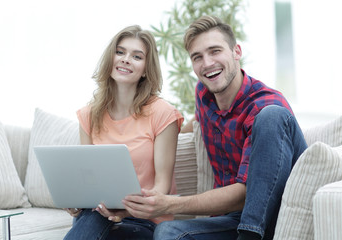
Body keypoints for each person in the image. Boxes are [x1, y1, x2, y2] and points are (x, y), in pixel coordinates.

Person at [122, 16, 308, 240]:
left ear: (236, 52)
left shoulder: (264, 105)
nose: (207, 63)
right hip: (232, 220)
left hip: (273, 212)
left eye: (215, 51)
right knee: (167, 233)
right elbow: (195, 122)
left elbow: (248, 193)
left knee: (272, 116)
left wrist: (170, 204)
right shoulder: (204, 94)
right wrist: (151, 137)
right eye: (197, 57)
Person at [63, 25, 184, 240]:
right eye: (120, 52)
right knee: (94, 214)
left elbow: (161, 189)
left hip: (143, 220)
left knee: (96, 220)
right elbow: (88, 179)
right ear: (110, 59)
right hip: (98, 214)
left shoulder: (163, 114)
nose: (126, 59)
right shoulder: (89, 115)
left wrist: (123, 211)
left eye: (136, 56)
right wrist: (77, 199)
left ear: (146, 69)